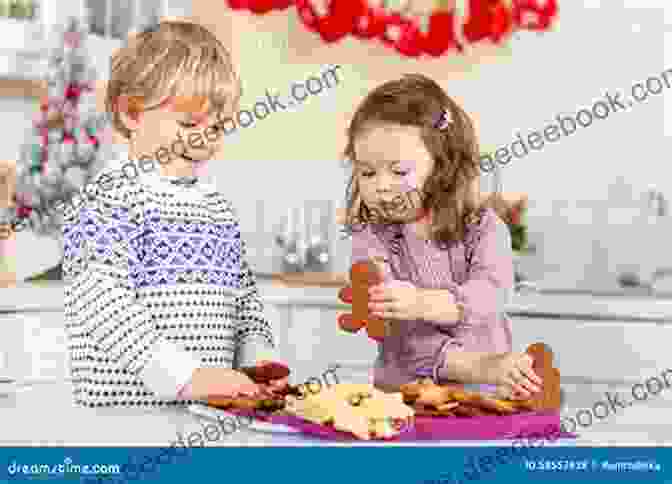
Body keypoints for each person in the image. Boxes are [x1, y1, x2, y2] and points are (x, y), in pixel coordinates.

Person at [62, 20, 286, 408]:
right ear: (132, 113)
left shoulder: (216, 208)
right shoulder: (106, 199)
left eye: (216, 128)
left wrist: (256, 362)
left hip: (205, 419)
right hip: (122, 424)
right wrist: (186, 377)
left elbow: (245, 300)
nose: (202, 140)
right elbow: (101, 302)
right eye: (188, 123)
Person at [337, 74, 542, 400]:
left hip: (483, 399)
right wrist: (483, 366)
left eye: (399, 171)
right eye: (367, 172)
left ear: (443, 168)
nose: (381, 185)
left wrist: (421, 303)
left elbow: (491, 295)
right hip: (405, 402)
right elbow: (406, 343)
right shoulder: (371, 238)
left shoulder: (484, 229)